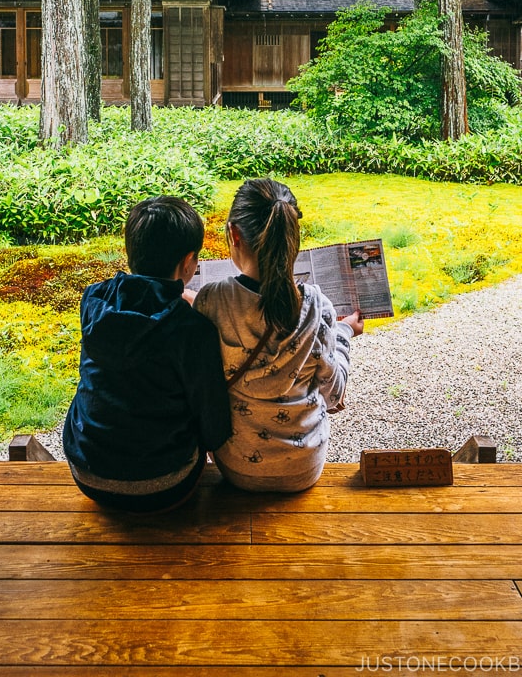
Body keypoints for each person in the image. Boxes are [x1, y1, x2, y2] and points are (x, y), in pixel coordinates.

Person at [193, 178, 363, 492]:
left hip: (237, 466)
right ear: (292, 237)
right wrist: (343, 332)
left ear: (234, 234)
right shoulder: (316, 306)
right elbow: (334, 394)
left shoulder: (211, 300)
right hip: (303, 469)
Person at [63, 195, 232, 512]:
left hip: (88, 474)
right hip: (165, 485)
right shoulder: (194, 331)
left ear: (131, 252)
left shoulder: (93, 302)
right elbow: (215, 428)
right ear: (188, 262)